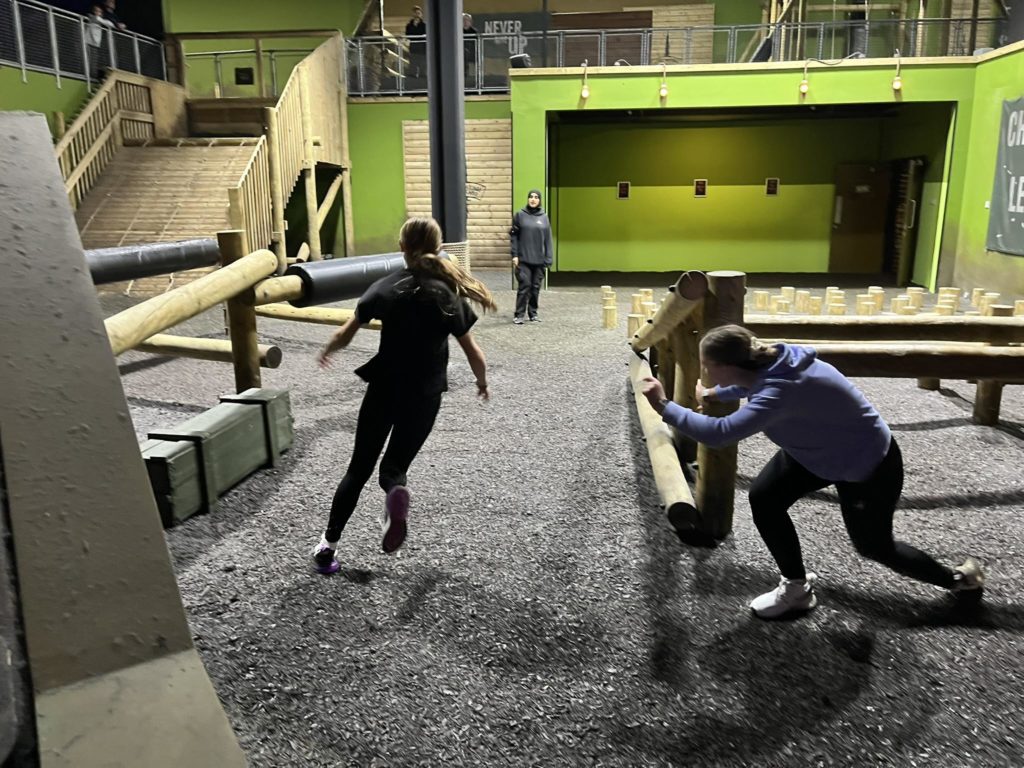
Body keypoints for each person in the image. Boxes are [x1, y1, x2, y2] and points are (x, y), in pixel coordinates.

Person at [641, 324, 985, 619]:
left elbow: (721, 433)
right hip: (816, 452)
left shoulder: (779, 390)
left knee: (874, 547)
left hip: (867, 464)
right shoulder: (778, 359)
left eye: (707, 366)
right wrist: (716, 392)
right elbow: (749, 381)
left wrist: (663, 405)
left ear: (729, 365)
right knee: (765, 499)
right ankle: (796, 588)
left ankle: (959, 580)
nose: (704, 371)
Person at [311, 217, 497, 574]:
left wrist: (328, 350)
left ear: (402, 248)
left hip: (384, 388)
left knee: (358, 469)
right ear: (438, 248)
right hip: (425, 395)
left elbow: (345, 333)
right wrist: (482, 382)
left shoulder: (384, 288)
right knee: (393, 469)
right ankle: (394, 492)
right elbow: (474, 352)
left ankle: (327, 548)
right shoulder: (447, 295)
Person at [509, 189, 553, 324]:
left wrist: (549, 258)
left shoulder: (544, 217)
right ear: (528, 199)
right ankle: (519, 315)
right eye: (531, 197)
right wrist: (515, 255)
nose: (533, 199)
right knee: (525, 285)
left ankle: (533, 313)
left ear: (539, 200)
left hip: (539, 260)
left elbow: (548, 240)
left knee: (535, 288)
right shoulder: (520, 215)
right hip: (523, 259)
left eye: (536, 197)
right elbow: (514, 236)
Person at [85, 5, 115, 83]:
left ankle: (99, 76)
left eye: (99, 12)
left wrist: (99, 19)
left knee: (97, 60)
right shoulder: (92, 18)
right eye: (96, 11)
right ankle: (94, 76)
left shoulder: (99, 20)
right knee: (91, 60)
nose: (98, 13)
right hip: (89, 42)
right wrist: (96, 18)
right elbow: (93, 18)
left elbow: (110, 24)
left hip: (96, 44)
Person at [405, 6, 426, 87]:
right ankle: (413, 85)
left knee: (423, 66)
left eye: (418, 13)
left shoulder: (424, 25)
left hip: (422, 49)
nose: (417, 15)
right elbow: (408, 35)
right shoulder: (409, 25)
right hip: (413, 48)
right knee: (413, 65)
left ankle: (423, 85)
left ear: (421, 14)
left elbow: (424, 35)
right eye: (415, 13)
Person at [463, 13, 478, 87]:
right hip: (461, 55)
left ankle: (475, 83)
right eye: (464, 20)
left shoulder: (474, 31)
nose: (465, 22)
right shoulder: (458, 31)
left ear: (470, 22)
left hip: (472, 53)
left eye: (467, 20)